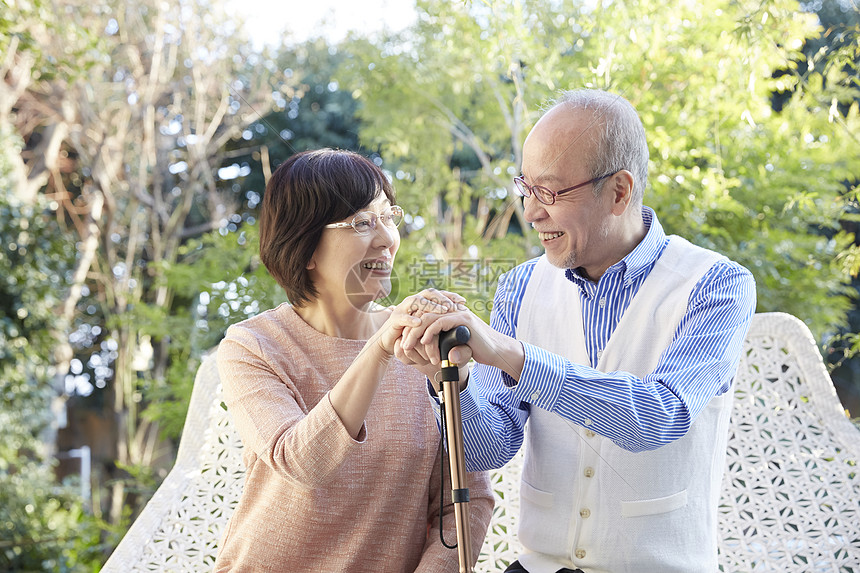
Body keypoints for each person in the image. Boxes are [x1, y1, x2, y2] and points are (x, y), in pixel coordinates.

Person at [397, 89, 757, 573]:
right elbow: (489, 447)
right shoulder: (520, 286)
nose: (530, 212)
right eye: (525, 188)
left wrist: (513, 356)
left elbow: (660, 415)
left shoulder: (716, 284)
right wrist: (449, 383)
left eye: (549, 192)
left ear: (619, 192)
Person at [213, 148, 493, 572]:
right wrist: (379, 350)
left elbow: (468, 501)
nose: (387, 238)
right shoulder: (253, 346)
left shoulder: (422, 343)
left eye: (388, 216)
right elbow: (301, 462)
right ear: (305, 247)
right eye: (362, 222)